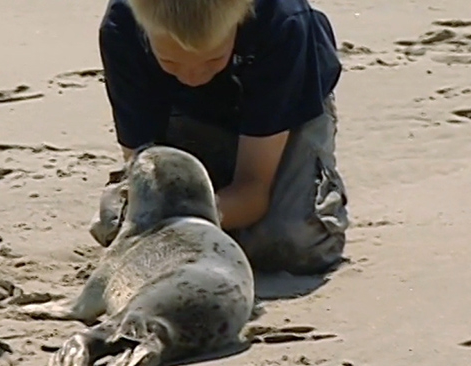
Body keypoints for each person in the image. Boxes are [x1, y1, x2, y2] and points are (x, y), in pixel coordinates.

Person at [90, 0, 349, 275]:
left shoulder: (282, 21)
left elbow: (253, 189)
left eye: (213, 59)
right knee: (115, 225)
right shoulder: (122, 26)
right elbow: (142, 166)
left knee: (293, 241)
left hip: (286, 107)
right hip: (184, 112)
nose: (193, 75)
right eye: (169, 60)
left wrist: (172, 223)